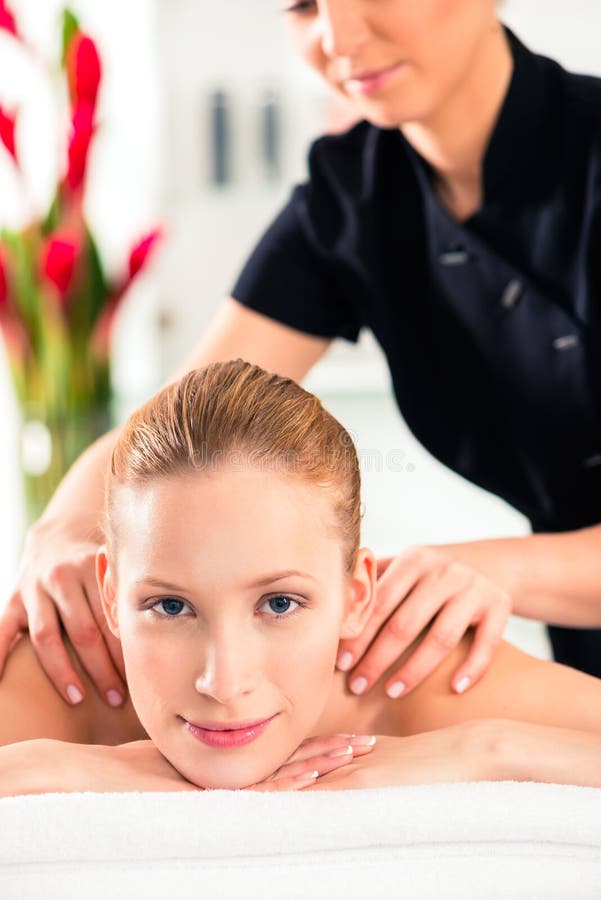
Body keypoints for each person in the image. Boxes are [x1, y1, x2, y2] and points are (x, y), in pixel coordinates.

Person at [2, 0, 601, 715]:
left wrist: (468, 569)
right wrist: (62, 530)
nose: (338, 38)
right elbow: (181, 414)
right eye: (303, 4)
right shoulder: (352, 199)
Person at [2, 360, 601, 796]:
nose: (224, 683)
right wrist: (57, 769)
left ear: (355, 596)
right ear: (110, 594)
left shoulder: (419, 675)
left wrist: (488, 750)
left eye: (280, 603)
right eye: (170, 607)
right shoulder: (63, 672)